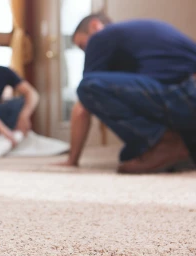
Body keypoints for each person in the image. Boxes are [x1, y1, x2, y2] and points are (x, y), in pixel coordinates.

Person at [58, 13, 196, 173]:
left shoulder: (100, 37)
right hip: (185, 101)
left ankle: (166, 143)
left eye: (83, 46)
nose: (86, 52)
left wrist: (72, 160)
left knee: (88, 86)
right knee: (130, 153)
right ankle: (179, 149)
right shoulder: (133, 42)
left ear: (95, 26)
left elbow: (82, 108)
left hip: (186, 93)